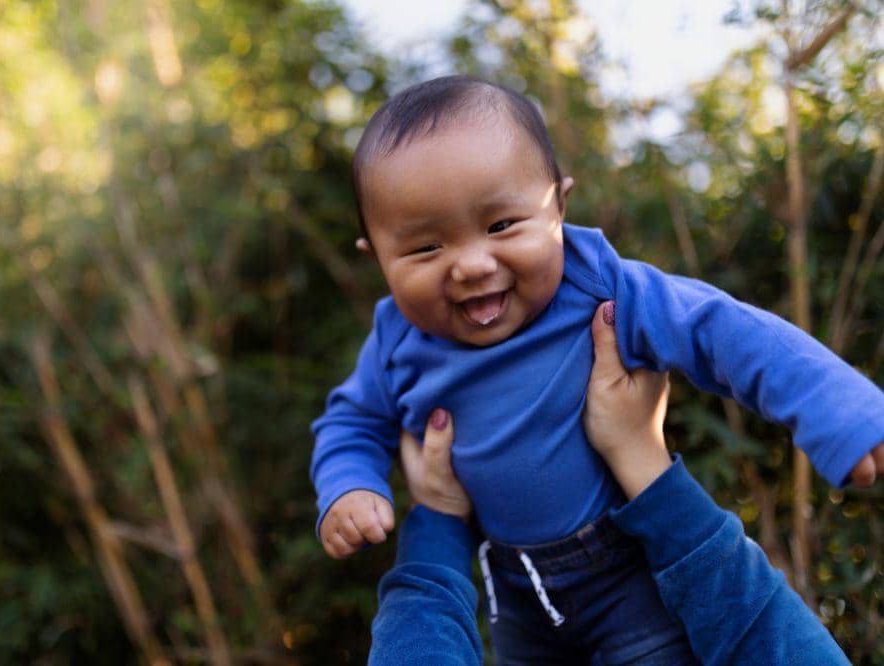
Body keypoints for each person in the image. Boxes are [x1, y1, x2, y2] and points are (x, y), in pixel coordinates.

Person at [310, 75, 884, 661]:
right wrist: (348, 486)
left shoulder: (601, 287)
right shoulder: (395, 339)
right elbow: (351, 423)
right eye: (426, 248)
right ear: (376, 257)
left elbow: (721, 331)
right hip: (516, 595)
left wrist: (836, 409)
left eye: (502, 225)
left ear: (559, 205)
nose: (472, 264)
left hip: (626, 577)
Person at [368, 301, 848, 665]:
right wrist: (643, 459)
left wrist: (436, 522)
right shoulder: (394, 333)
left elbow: (709, 321)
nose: (472, 263)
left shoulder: (592, 277)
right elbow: (764, 638)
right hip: (528, 596)